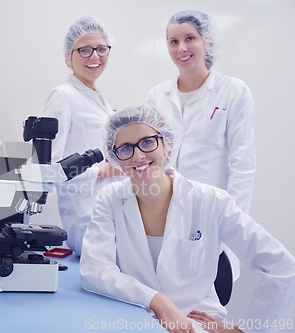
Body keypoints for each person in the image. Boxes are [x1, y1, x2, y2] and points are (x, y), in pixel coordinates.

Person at [79, 105, 295, 333]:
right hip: (135, 320)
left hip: (198, 325)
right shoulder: (110, 199)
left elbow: (281, 266)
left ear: (166, 143)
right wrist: (156, 300)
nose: (138, 155)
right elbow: (94, 269)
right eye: (125, 149)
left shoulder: (211, 200)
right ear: (115, 158)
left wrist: (244, 331)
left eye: (147, 142)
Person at [145, 9, 256, 282]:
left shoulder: (233, 91)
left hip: (213, 219)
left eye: (190, 38)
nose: (181, 48)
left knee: (209, 314)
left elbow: (243, 165)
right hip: (163, 217)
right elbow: (147, 161)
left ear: (206, 40)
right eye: (173, 41)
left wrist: (231, 226)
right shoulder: (157, 96)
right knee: (165, 312)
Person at [42, 16, 122, 255]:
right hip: (85, 218)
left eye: (100, 49)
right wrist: (101, 171)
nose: (95, 56)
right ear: (69, 56)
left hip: (107, 210)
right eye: (85, 50)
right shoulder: (63, 96)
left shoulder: (96, 97)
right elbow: (47, 171)